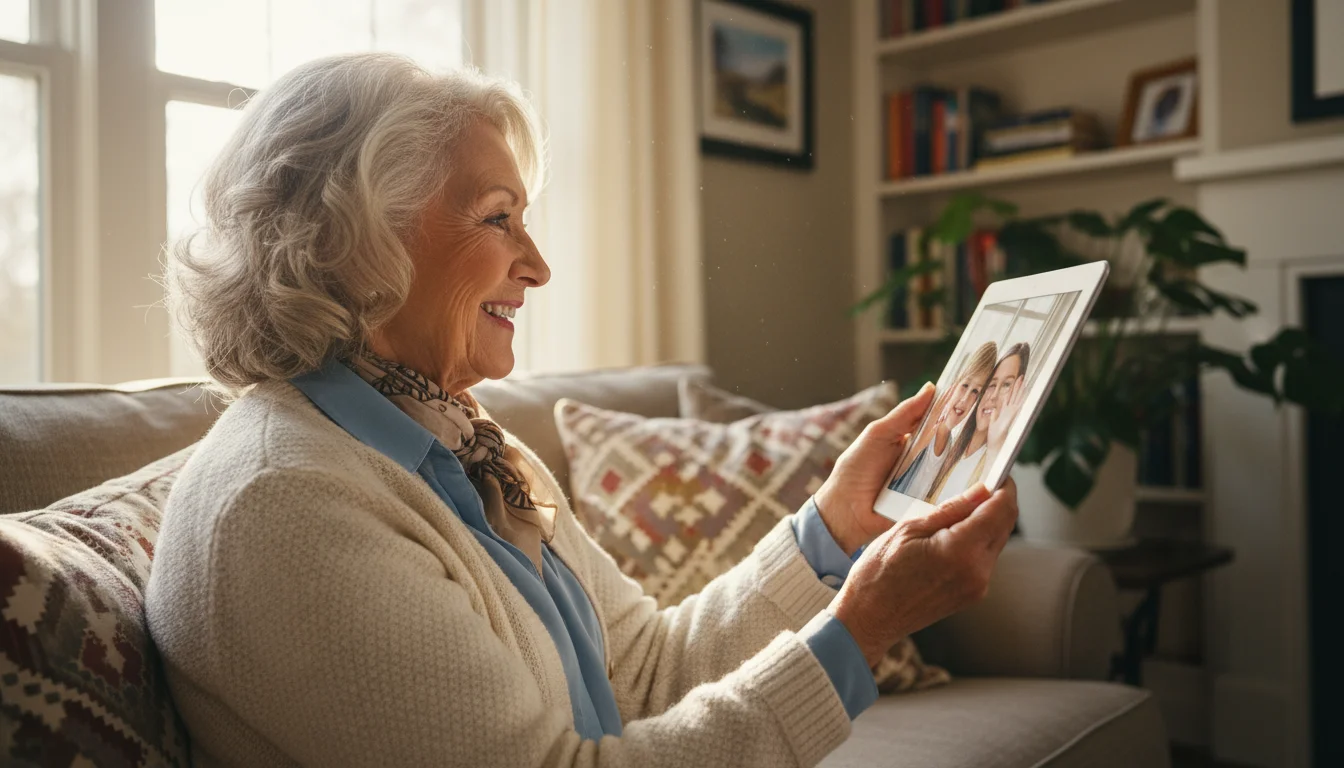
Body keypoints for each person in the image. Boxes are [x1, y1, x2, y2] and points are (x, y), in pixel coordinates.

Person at [146, 53, 1019, 768]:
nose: (537, 264)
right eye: (499, 219)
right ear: (355, 240)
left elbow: (645, 667)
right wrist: (861, 631)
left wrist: (830, 528)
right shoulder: (287, 504)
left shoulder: (464, 442)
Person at [889, 342, 997, 499]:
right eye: (965, 385)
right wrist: (921, 440)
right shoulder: (921, 427)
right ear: (954, 383)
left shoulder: (952, 447)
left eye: (975, 392)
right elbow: (892, 479)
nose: (965, 399)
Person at [929, 343, 1031, 504]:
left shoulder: (995, 457)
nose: (993, 396)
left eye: (1006, 385)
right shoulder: (950, 447)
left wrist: (996, 442)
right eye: (991, 385)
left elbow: (981, 505)